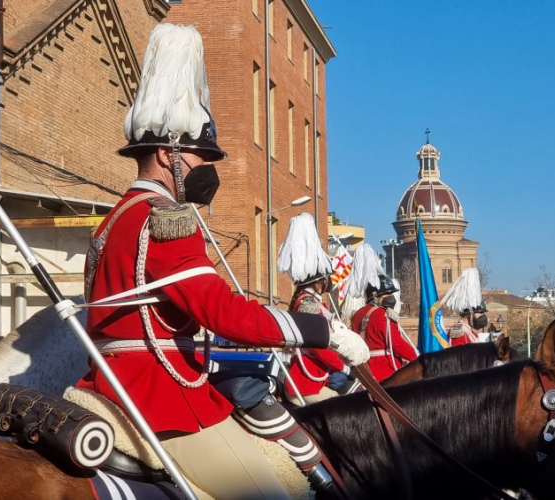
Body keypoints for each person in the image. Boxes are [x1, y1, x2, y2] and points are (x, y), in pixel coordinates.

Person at [78, 24, 368, 499]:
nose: (206, 167)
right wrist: (327, 332)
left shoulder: (114, 220)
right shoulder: (164, 220)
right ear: (166, 152)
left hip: (112, 384)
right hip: (158, 397)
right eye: (198, 154)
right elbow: (224, 315)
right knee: (275, 493)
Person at [278, 213, 351, 405]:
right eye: (325, 276)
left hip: (315, 378)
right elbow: (318, 346)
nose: (329, 280)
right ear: (318, 281)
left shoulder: (314, 302)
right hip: (304, 383)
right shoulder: (308, 305)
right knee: (339, 406)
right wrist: (342, 367)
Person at [348, 244, 419, 382]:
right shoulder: (383, 315)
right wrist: (417, 358)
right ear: (374, 296)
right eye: (386, 294)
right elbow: (397, 344)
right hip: (386, 370)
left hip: (364, 371)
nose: (390, 297)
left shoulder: (357, 315)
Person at [441, 268, 488, 346]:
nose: (483, 316)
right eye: (480, 313)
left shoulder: (470, 333)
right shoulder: (458, 331)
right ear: (469, 314)